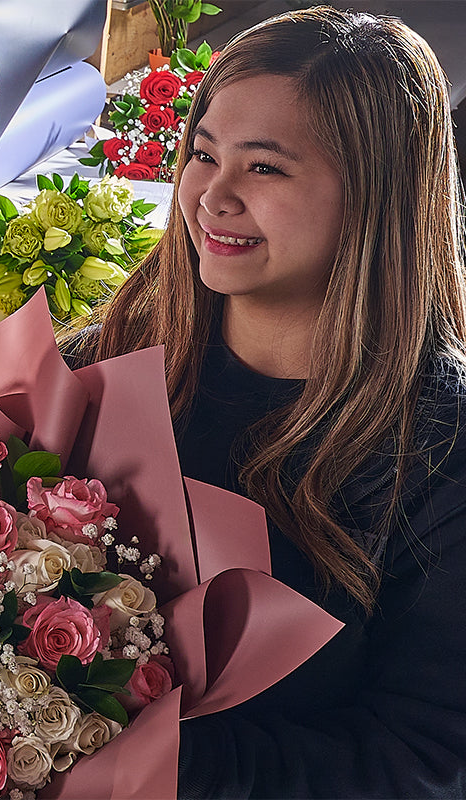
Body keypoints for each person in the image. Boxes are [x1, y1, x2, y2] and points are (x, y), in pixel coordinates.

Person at [63, 5, 466, 797]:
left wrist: (136, 761)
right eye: (203, 154)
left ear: (376, 195)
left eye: (265, 168)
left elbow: (424, 762)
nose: (213, 196)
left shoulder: (443, 451)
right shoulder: (105, 358)